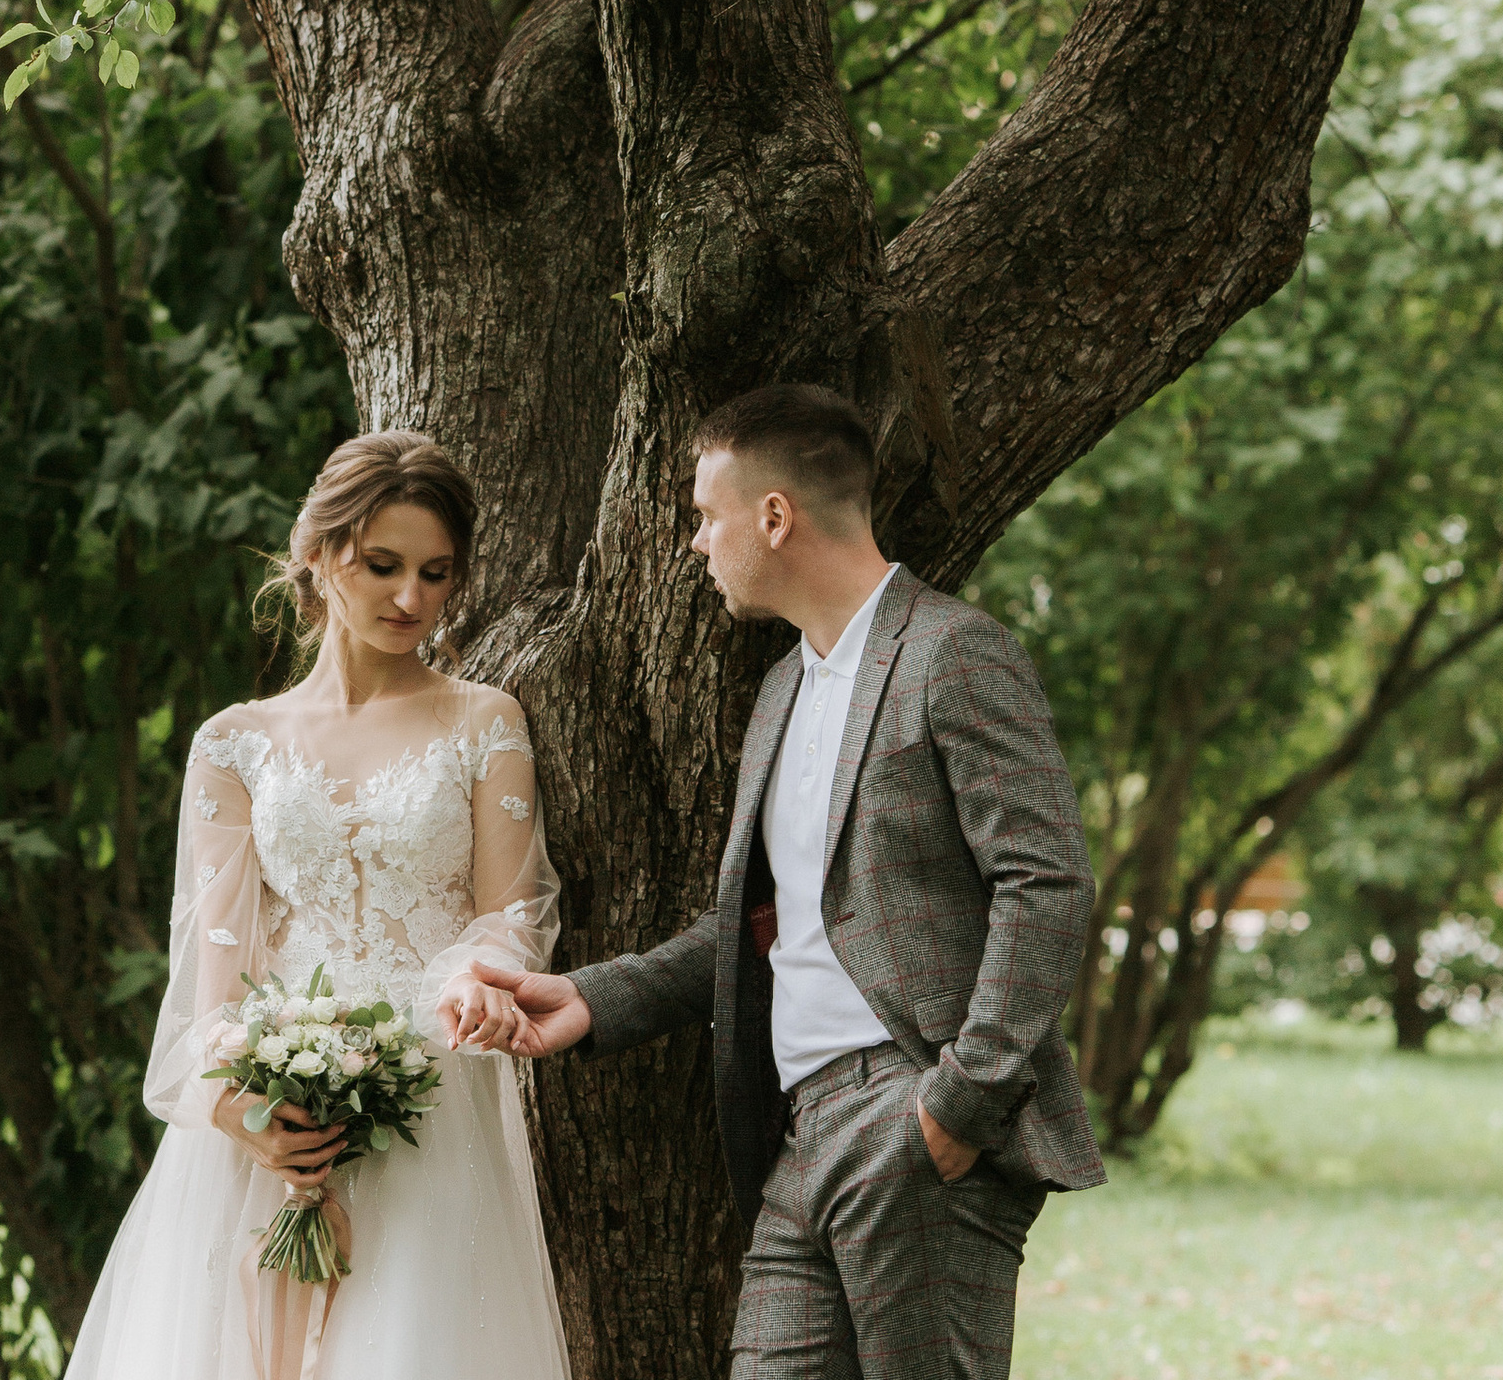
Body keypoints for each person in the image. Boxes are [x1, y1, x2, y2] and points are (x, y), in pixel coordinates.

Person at [444, 382, 1102, 1379]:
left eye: (706, 517)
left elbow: (1043, 884)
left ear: (775, 514)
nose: (696, 543)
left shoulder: (952, 655)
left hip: (912, 1122)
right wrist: (589, 996)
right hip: (800, 1137)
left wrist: (957, 1105)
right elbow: (766, 924)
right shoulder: (783, 688)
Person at [66, 431, 571, 1380]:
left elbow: (515, 912)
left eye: (435, 572)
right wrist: (245, 1114)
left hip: (431, 1098)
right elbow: (211, 983)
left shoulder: (484, 721)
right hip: (271, 1117)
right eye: (383, 566)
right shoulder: (235, 746)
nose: (412, 599)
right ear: (318, 553)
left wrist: (471, 978)